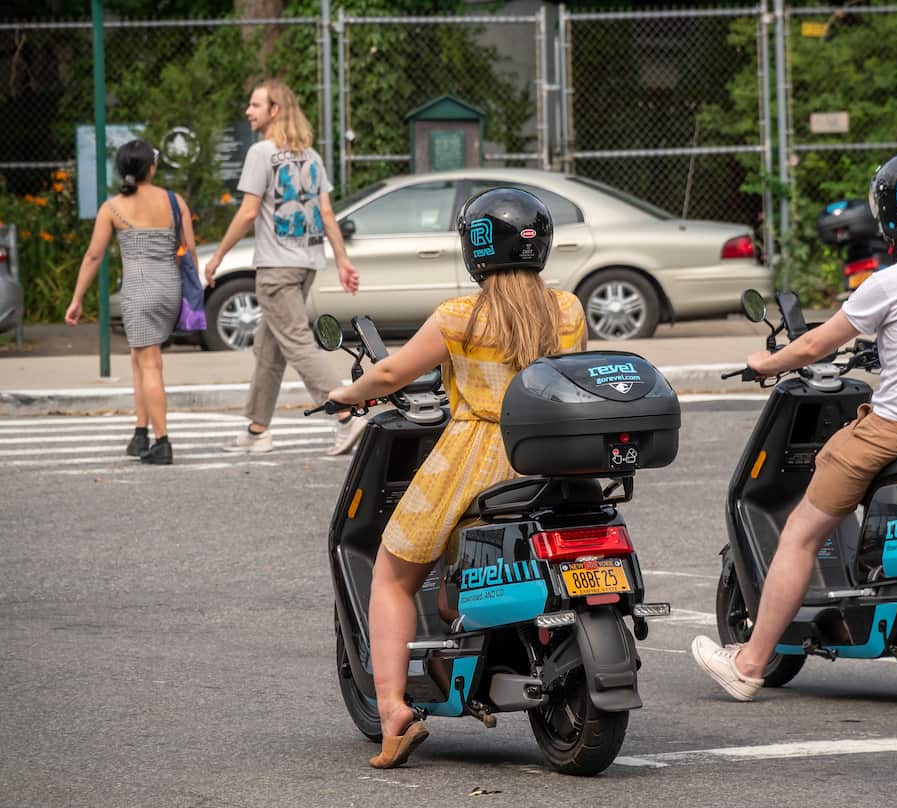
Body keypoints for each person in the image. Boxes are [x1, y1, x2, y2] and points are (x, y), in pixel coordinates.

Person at [691, 150, 897, 701]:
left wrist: (763, 363)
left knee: (800, 533)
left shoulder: (888, 281)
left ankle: (750, 664)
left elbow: (813, 344)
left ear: (888, 211)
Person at [326, 187, 586, 768]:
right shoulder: (567, 309)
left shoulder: (460, 317)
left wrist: (346, 393)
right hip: (552, 456)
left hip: (477, 458)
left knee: (393, 572)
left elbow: (392, 370)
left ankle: (393, 709)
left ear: (475, 251)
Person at [204, 78, 365, 456]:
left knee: (295, 342)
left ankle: (346, 413)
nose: (249, 111)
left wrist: (217, 257)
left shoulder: (261, 153)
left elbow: (247, 213)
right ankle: (258, 430)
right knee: (268, 348)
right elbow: (326, 212)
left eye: (255, 105)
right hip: (306, 263)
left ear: (275, 110)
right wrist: (341, 259)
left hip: (276, 267)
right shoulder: (310, 155)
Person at [65, 139, 195, 465]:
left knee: (149, 363)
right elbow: (188, 249)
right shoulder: (174, 201)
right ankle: (140, 434)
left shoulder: (112, 208)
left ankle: (162, 442)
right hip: (169, 286)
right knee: (141, 357)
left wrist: (77, 298)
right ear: (150, 167)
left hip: (138, 288)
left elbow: (94, 255)